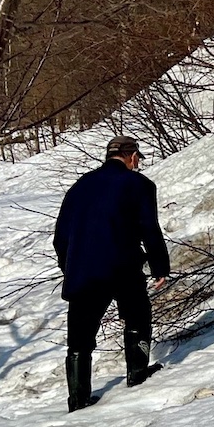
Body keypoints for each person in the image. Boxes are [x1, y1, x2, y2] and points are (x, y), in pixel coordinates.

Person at [53, 135, 171, 413]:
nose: (137, 164)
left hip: (83, 270)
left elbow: (61, 237)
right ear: (132, 156)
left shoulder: (79, 187)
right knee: (137, 315)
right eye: (137, 159)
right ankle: (137, 373)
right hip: (122, 265)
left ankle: (78, 399)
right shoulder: (138, 184)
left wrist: (70, 266)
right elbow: (148, 228)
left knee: (80, 337)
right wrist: (160, 266)